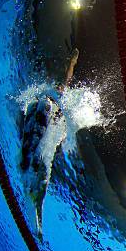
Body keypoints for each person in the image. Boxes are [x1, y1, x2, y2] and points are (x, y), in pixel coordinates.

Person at [21, 48, 79, 238]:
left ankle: (39, 210)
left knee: (45, 164)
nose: (61, 88)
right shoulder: (47, 94)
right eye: (59, 86)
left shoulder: (61, 99)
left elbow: (68, 79)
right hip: (38, 121)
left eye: (62, 87)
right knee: (34, 155)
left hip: (47, 127)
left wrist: (72, 63)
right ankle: (30, 187)